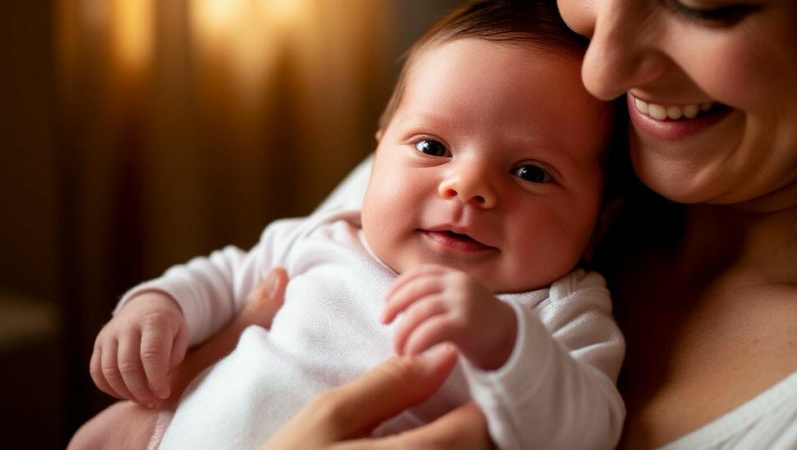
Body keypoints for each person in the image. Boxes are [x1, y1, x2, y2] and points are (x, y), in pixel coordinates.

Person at [256, 0, 797, 448]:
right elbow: (241, 280)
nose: (603, 70)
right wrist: (169, 314)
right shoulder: (469, 136)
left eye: (701, 6)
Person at [71, 1, 626, 449]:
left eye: (531, 172)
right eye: (432, 146)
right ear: (379, 150)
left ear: (600, 223)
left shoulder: (559, 310)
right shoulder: (329, 234)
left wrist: (506, 345)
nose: (467, 186)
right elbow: (220, 277)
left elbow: (590, 430)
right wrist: (156, 309)